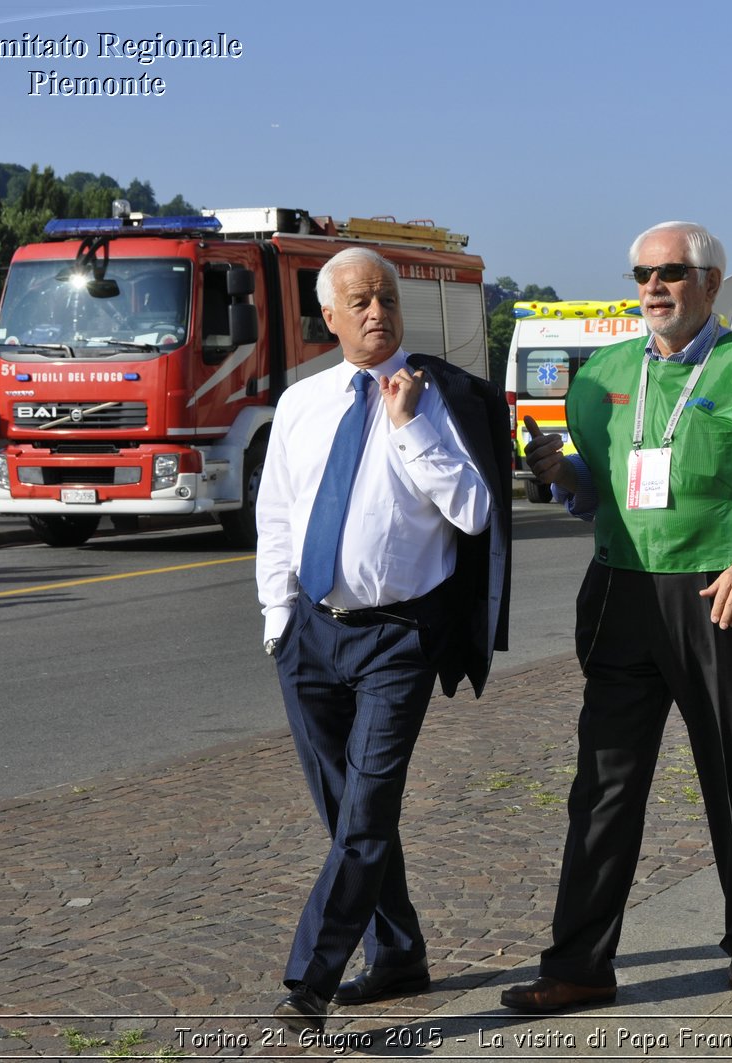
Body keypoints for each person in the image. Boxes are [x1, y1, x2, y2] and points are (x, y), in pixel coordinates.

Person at [501, 221, 732, 1013]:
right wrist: (564, 473)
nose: (654, 286)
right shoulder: (601, 374)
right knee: (603, 783)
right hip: (623, 592)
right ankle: (579, 963)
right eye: (643, 273)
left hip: (725, 589)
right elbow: (607, 489)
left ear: (712, 283)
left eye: (673, 272)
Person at [255, 247, 512, 1033]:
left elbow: (474, 510)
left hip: (399, 638)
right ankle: (398, 951)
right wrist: (278, 619)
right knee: (346, 812)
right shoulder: (301, 403)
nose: (377, 313)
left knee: (366, 810)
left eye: (387, 299)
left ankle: (310, 982)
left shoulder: (442, 398)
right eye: (359, 302)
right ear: (327, 318)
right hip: (311, 633)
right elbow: (277, 513)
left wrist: (408, 430)